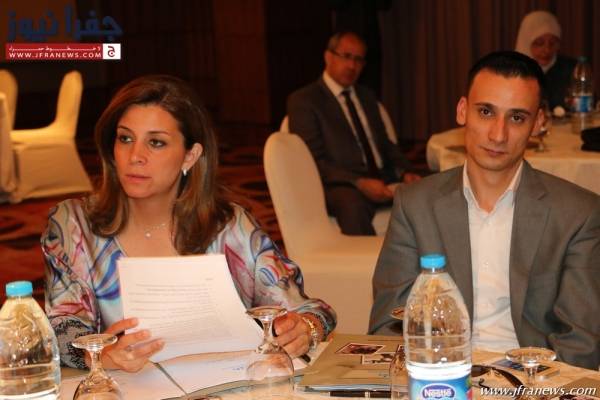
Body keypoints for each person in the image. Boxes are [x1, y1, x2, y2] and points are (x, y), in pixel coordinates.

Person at [42, 75, 337, 372]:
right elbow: (62, 328)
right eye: (125, 138)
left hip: (222, 384)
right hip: (126, 387)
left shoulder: (229, 227)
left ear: (190, 156)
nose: (135, 156)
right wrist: (100, 355)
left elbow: (311, 310)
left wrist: (306, 328)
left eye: (156, 142)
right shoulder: (75, 226)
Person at [369, 51, 600, 369]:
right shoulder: (415, 204)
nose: (498, 134)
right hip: (440, 376)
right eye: (486, 112)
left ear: (538, 123)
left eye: (517, 118)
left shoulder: (578, 214)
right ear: (462, 111)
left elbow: (581, 344)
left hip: (532, 381)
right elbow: (389, 325)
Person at [287, 31, 420, 236]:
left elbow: (385, 145)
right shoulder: (305, 101)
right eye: (346, 56)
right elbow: (313, 160)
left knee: (434, 185)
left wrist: (406, 172)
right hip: (340, 184)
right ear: (328, 57)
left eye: (358, 60)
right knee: (352, 204)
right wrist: (359, 182)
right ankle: (367, 257)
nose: (352, 66)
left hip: (382, 177)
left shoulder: (367, 96)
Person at [515, 10, 576, 110]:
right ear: (525, 43)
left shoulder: (570, 69)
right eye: (539, 43)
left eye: (552, 43)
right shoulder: (512, 71)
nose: (547, 50)